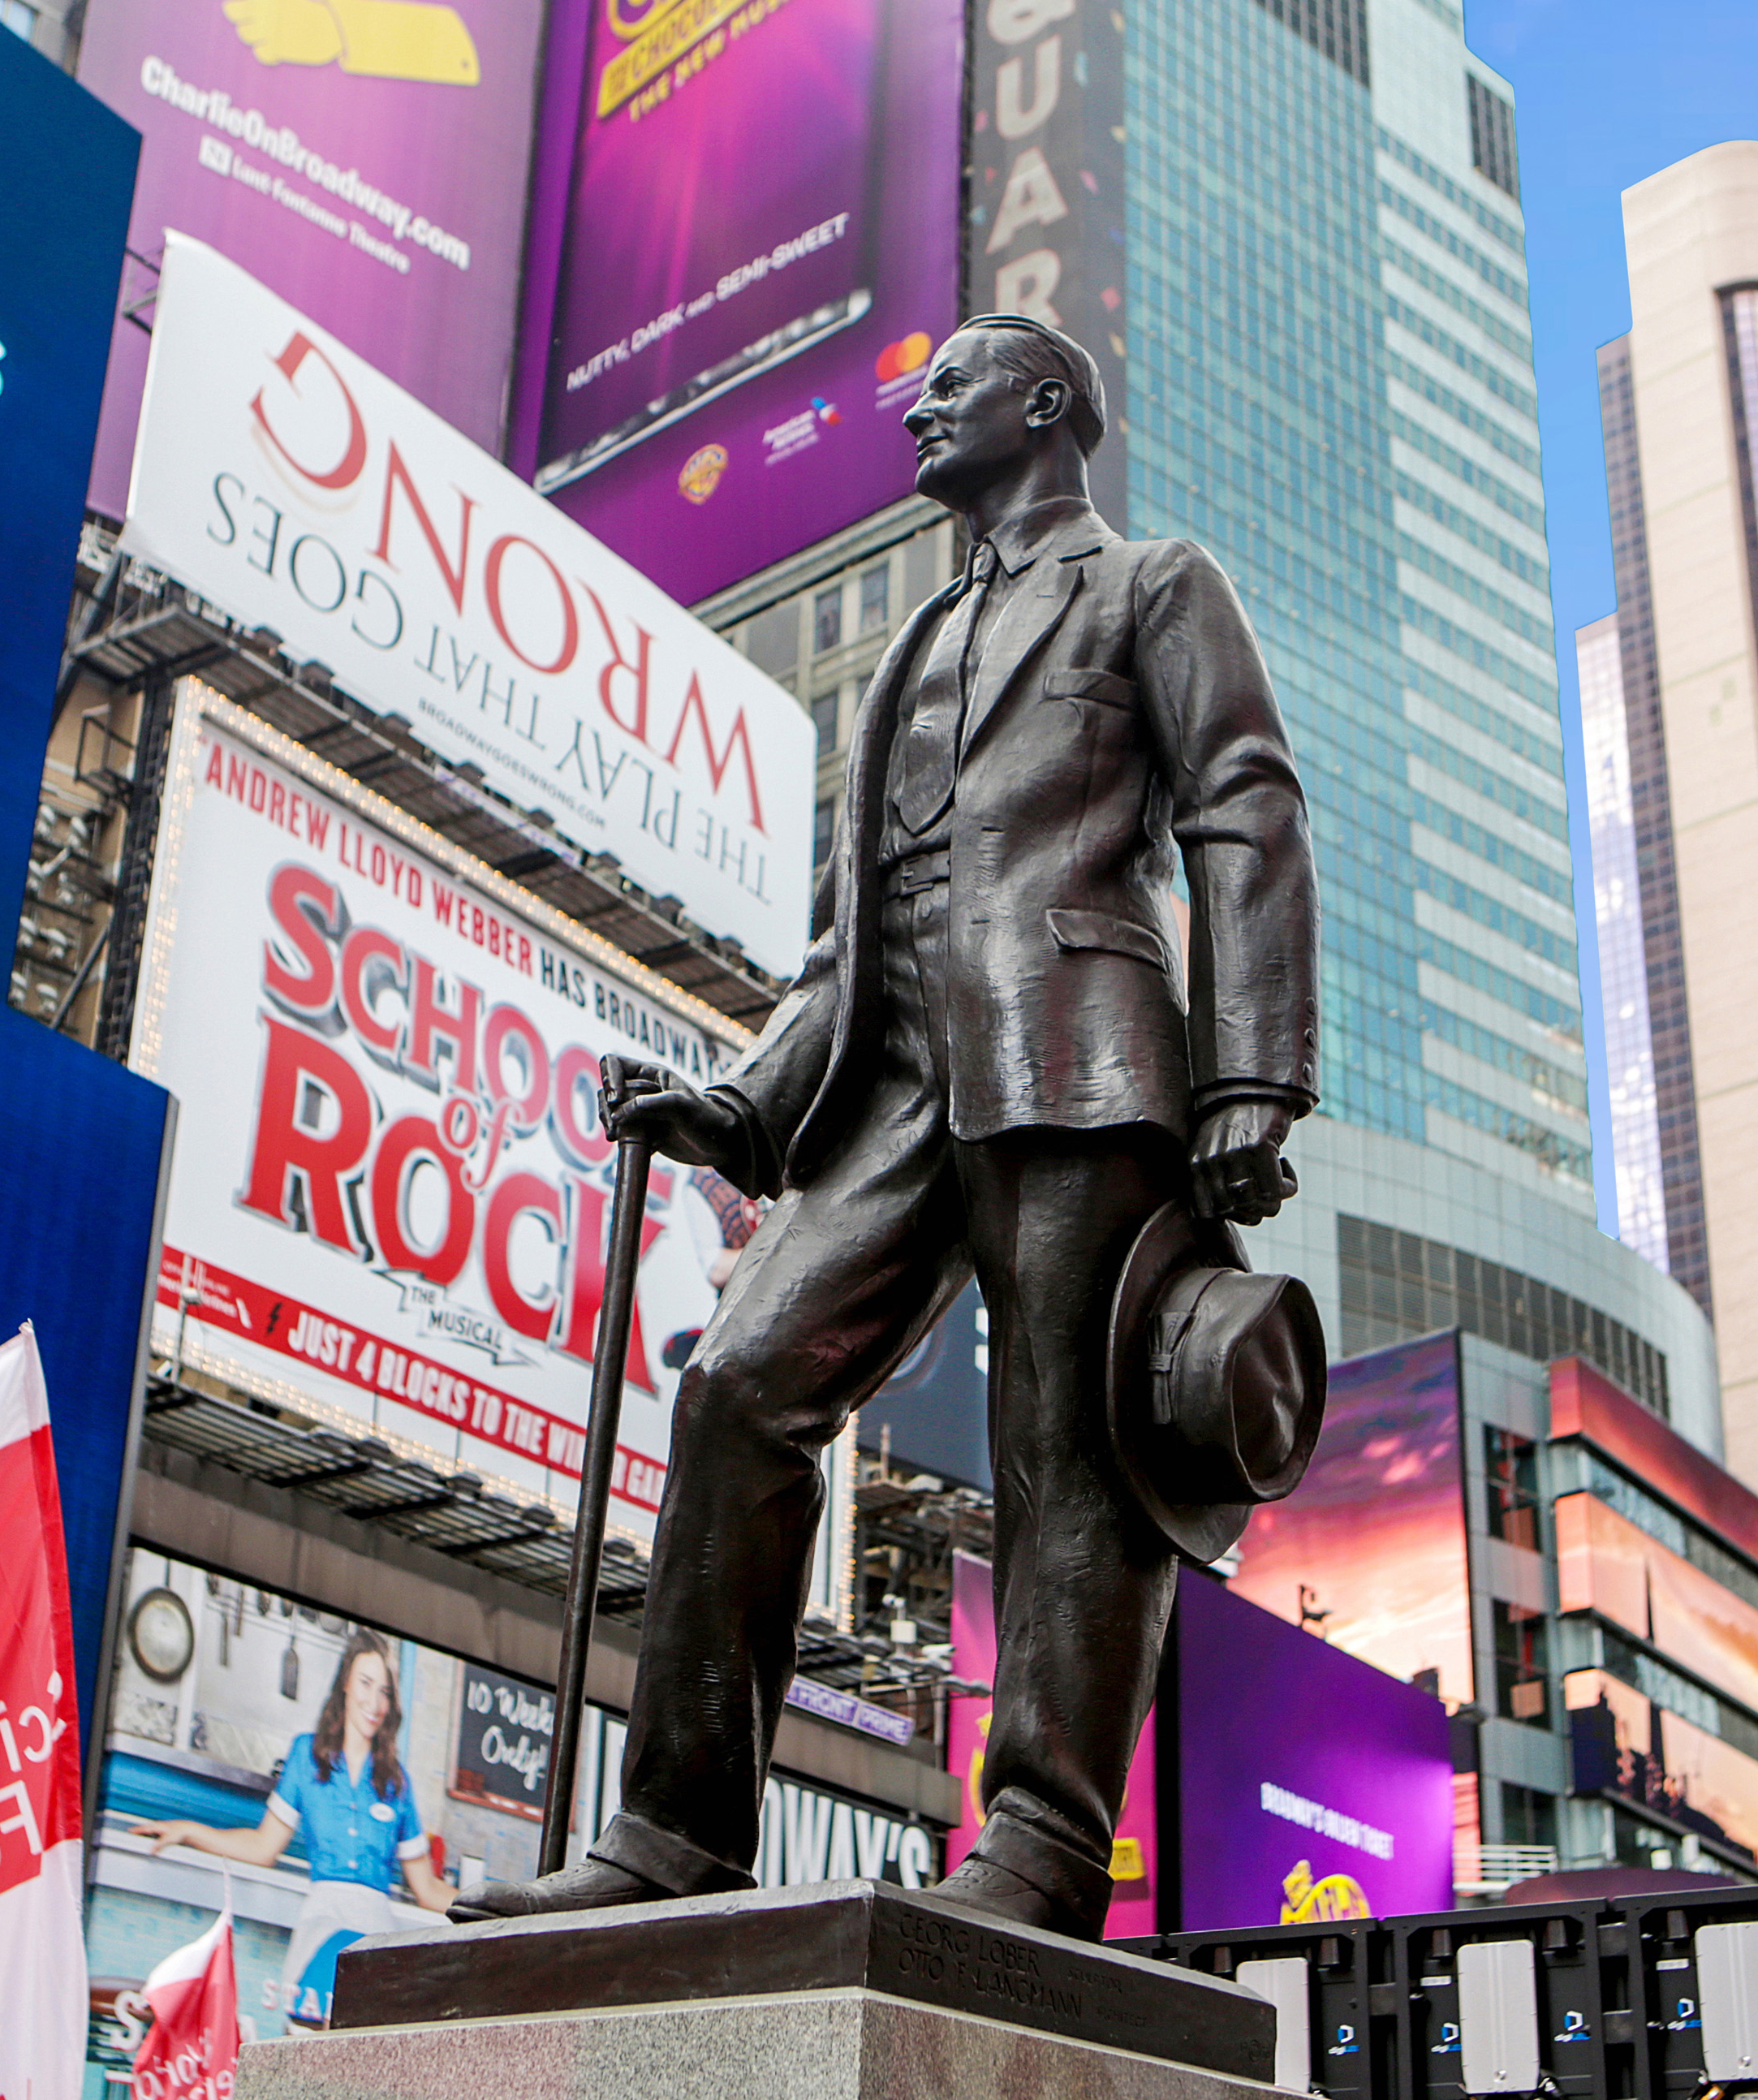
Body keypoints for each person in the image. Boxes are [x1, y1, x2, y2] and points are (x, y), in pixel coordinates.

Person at [453, 317, 1317, 1941]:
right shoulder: (913, 642)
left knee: (1067, 1449)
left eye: (951, 386)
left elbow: (1243, 805)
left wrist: (1247, 1075)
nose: (916, 410)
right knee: (736, 1385)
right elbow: (845, 945)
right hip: (895, 1085)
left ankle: (1043, 1846)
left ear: (1044, 406)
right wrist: (741, 1101)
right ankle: (677, 1829)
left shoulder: (1149, 584)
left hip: (1079, 1053)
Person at [143, 1628, 448, 2022]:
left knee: (367, 2046)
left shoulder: (396, 1781)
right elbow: (262, 1847)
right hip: (320, 1928)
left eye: (385, 1691)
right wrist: (189, 1831)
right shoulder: (308, 1754)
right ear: (345, 1683)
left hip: (376, 1936)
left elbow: (428, 1889)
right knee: (304, 2043)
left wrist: (505, 1907)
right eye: (365, 1683)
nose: (374, 1702)